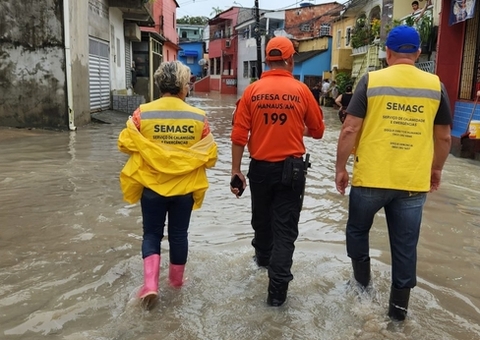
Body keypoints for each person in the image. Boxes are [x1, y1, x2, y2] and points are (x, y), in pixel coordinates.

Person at [334, 25, 452, 321]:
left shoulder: (370, 81)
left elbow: (350, 128)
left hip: (371, 179)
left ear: (387, 53)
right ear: (418, 53)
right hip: (412, 182)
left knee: (357, 232)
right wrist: (436, 169)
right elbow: (444, 138)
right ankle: (398, 314)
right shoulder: (436, 85)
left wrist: (340, 167)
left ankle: (362, 289)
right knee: (405, 247)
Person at [230, 36, 325, 307]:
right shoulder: (302, 91)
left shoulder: (251, 91)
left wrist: (236, 171)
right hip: (292, 172)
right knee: (285, 231)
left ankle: (261, 265)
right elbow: (317, 131)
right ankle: (276, 296)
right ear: (291, 60)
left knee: (261, 222)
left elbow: (239, 135)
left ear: (267, 61)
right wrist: (296, 127)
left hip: (259, 170)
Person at [118, 61, 218, 308]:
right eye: (188, 84)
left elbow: (124, 143)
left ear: (159, 84)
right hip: (183, 191)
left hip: (151, 188)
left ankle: (150, 285)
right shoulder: (198, 118)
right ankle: (176, 283)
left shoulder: (143, 113)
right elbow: (211, 155)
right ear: (183, 87)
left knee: (151, 234)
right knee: (178, 235)